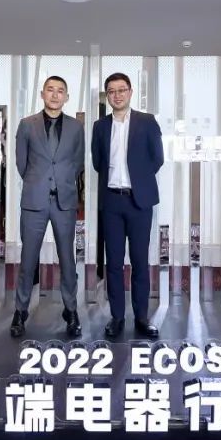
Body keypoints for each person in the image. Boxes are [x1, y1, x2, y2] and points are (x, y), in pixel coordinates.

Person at [11, 76, 85, 338]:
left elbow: (78, 162)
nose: (55, 95)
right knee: (28, 260)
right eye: (50, 90)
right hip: (34, 201)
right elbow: (21, 163)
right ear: (42, 94)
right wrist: (38, 183)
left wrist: (61, 181)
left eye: (60, 91)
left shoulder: (76, 127)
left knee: (68, 260)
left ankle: (71, 311)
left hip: (64, 202)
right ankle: (20, 311)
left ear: (67, 97)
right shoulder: (27, 125)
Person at [91, 72, 163, 339]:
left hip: (139, 201)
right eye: (111, 91)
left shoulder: (147, 122)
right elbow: (97, 162)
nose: (117, 95)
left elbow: (157, 158)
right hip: (111, 200)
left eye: (122, 90)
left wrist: (139, 180)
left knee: (140, 261)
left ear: (130, 92)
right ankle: (117, 317)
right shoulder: (100, 126)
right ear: (107, 96)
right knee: (113, 263)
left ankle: (142, 317)